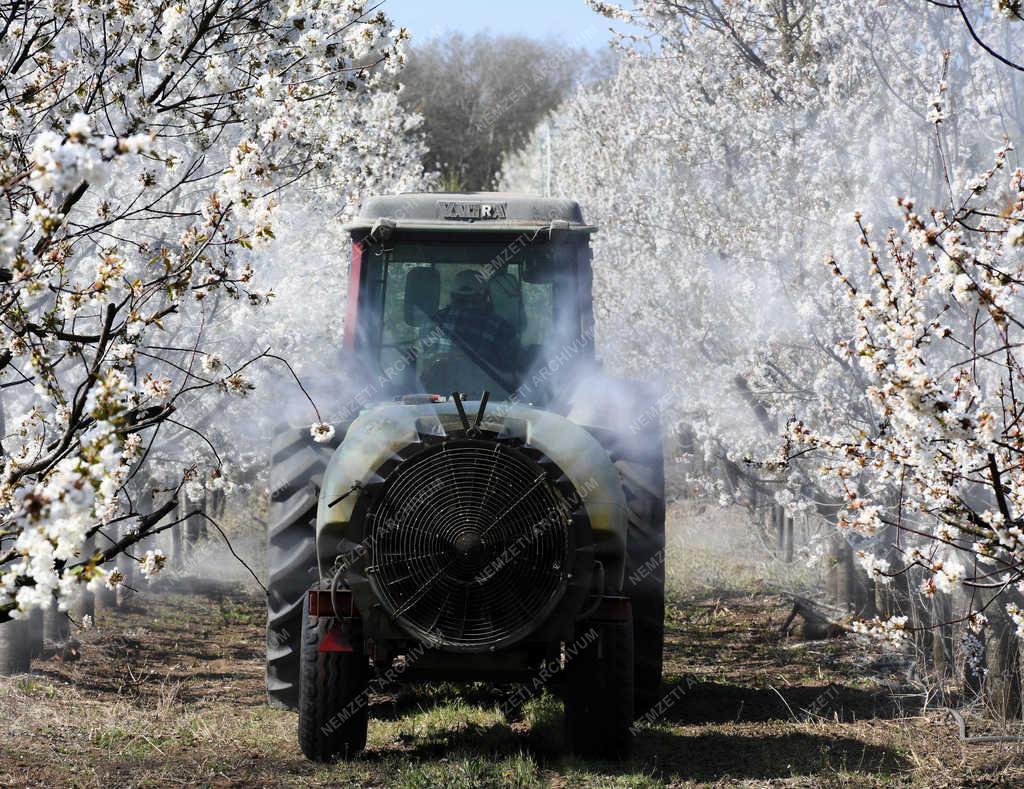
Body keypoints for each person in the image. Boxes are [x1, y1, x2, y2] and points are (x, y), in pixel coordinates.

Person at [420, 268, 519, 377]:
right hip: (485, 394)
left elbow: (424, 366)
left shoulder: (431, 323)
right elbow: (513, 373)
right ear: (486, 295)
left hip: (434, 392)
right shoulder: (502, 328)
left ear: (452, 295)